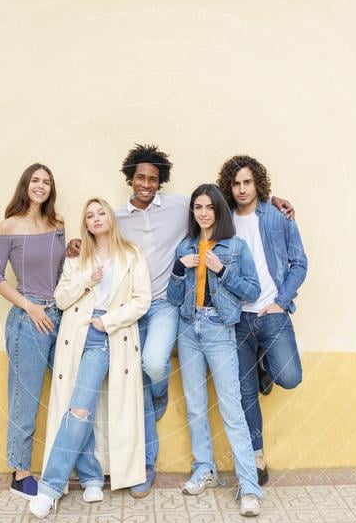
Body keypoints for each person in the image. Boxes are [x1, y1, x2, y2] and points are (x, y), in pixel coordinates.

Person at [67, 143, 296, 499]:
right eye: (140, 177)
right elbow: (96, 229)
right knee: (180, 399)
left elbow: (229, 205)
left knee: (206, 391)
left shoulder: (216, 235)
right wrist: (77, 245)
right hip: (165, 318)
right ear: (131, 178)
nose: (146, 183)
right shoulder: (155, 232)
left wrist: (272, 200)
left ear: (161, 182)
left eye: (153, 179)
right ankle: (195, 468)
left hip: (202, 322)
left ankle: (249, 486)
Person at [29, 198, 151, 519]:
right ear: (86, 223)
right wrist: (88, 280)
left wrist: (106, 321)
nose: (96, 219)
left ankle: (49, 488)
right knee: (79, 406)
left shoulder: (131, 254)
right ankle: (91, 476)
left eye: (100, 213)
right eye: (89, 215)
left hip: (104, 335)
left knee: (80, 407)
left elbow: (142, 300)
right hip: (74, 336)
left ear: (110, 216)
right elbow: (60, 298)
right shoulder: (78, 257)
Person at [166, 184, 263, 516]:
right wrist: (180, 269)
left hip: (220, 330)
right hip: (188, 329)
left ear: (219, 210)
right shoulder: (186, 246)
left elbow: (252, 290)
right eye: (197, 207)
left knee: (231, 409)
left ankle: (249, 488)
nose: (203, 212)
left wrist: (222, 269)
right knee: (195, 406)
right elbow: (173, 298)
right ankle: (204, 469)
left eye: (209, 207)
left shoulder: (235, 247)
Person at [217, 155, 308, 486]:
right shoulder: (222, 219)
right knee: (244, 392)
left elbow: (299, 263)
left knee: (290, 377)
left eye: (247, 183)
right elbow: (199, 205)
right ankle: (256, 455)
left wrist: (281, 302)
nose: (242, 189)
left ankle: (265, 365)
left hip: (271, 314)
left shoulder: (276, 216)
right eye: (236, 184)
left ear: (258, 184)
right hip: (237, 318)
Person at [0, 164, 65, 499]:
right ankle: (20, 472)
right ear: (25, 185)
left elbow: (62, 269)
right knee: (25, 396)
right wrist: (29, 307)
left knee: (68, 394)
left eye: (46, 182)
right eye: (36, 180)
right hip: (28, 319)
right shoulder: (8, 226)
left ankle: (67, 467)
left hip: (59, 315)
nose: (41, 186)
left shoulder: (57, 224)